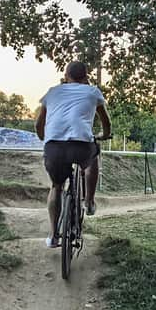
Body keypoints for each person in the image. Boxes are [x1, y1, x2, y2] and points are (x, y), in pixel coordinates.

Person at [35, 61, 111, 248]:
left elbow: (38, 124)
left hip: (54, 146)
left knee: (56, 186)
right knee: (92, 158)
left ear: (65, 75)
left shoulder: (52, 92)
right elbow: (105, 122)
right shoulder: (93, 92)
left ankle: (53, 236)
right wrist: (105, 135)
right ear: (86, 77)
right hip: (81, 144)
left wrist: (46, 140)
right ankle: (90, 201)